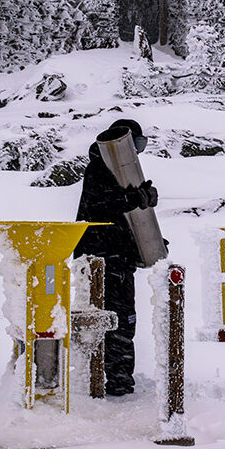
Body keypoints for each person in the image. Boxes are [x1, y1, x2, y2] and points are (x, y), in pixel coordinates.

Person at [73, 119, 158, 396]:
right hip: (102, 260)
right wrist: (133, 199)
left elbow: (122, 218)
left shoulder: (117, 172)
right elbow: (101, 209)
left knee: (120, 320)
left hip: (116, 258)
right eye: (138, 144)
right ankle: (114, 382)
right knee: (114, 321)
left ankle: (116, 379)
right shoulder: (99, 169)